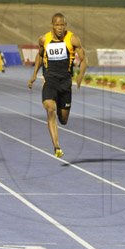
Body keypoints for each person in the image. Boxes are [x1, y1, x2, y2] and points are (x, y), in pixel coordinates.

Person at [28, 13, 87, 158]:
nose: (60, 28)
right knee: (50, 108)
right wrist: (34, 74)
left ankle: (62, 113)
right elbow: (40, 55)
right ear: (52, 25)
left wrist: (80, 76)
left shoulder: (72, 39)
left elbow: (84, 59)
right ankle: (56, 146)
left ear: (65, 26)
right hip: (50, 81)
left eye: (63, 25)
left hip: (65, 83)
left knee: (64, 119)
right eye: (57, 25)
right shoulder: (44, 39)